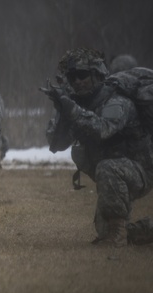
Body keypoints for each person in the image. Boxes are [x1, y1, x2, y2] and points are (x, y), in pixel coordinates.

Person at [41, 48, 153, 247]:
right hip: (114, 174)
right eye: (72, 77)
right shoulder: (78, 103)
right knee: (103, 228)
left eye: (82, 75)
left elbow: (103, 129)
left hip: (142, 170)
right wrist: (62, 111)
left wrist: (73, 110)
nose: (77, 81)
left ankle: (117, 234)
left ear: (97, 75)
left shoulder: (117, 100)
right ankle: (135, 231)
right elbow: (56, 144)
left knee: (107, 170)